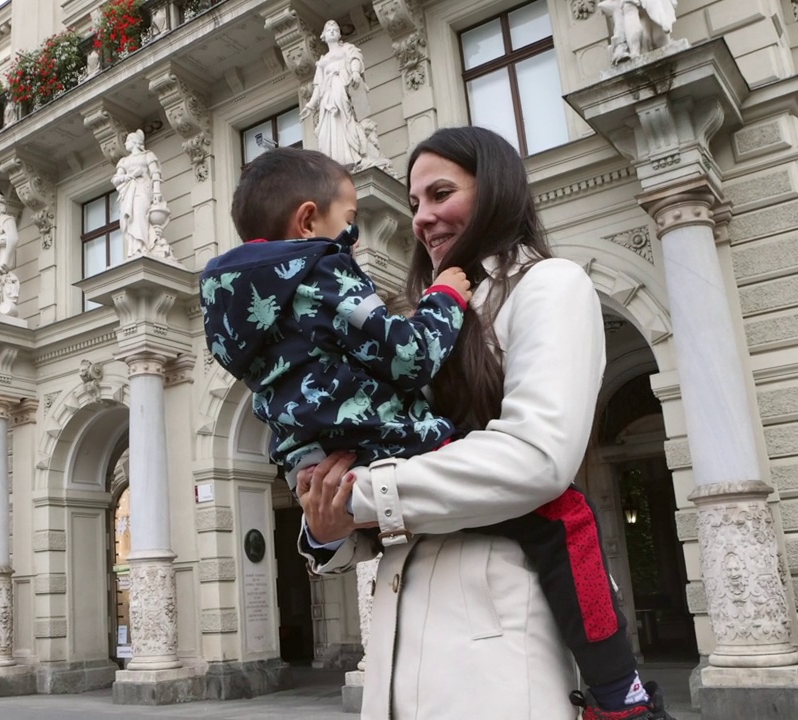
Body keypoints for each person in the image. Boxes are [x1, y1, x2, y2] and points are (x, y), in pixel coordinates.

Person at [291, 127, 674, 720]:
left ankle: (621, 697)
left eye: (441, 193)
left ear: (494, 188)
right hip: (397, 656)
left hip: (496, 652)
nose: (422, 218)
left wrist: (364, 495)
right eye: (415, 203)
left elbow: (535, 459)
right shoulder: (422, 322)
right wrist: (328, 524)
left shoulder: (548, 284)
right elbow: (375, 504)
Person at [200, 147, 473, 490]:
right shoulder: (322, 273)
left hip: (310, 468)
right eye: (349, 222)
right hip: (385, 445)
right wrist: (444, 298)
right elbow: (410, 358)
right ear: (308, 222)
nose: (353, 240)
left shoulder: (228, 299)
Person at [302, 20, 370, 169]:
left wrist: (356, 72)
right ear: (323, 36)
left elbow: (355, 59)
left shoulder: (347, 48)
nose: (332, 31)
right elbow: (318, 86)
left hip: (343, 91)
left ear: (339, 34)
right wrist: (310, 105)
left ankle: (350, 156)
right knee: (330, 126)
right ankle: (335, 160)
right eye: (328, 30)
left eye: (335, 29)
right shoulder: (322, 61)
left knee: (346, 120)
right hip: (328, 98)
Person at [112, 129, 167, 259]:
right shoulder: (124, 161)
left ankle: (143, 246)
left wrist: (157, 191)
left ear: (135, 142)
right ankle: (134, 249)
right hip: (129, 191)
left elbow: (155, 173)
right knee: (131, 219)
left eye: (128, 141)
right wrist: (129, 176)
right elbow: (115, 179)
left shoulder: (148, 155)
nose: (125, 144)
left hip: (143, 188)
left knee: (140, 215)